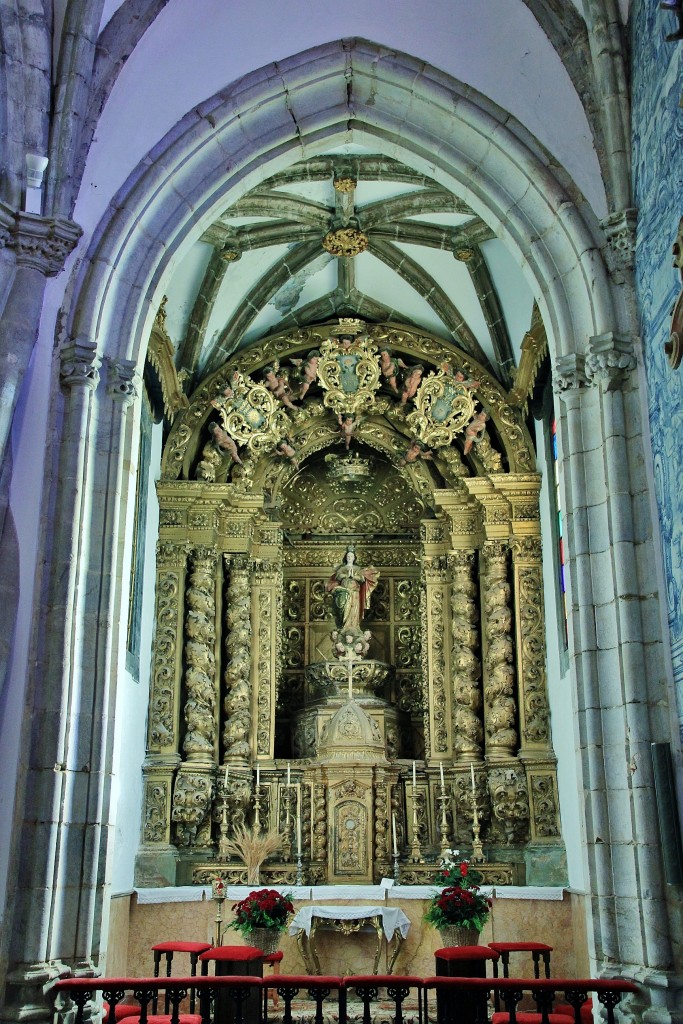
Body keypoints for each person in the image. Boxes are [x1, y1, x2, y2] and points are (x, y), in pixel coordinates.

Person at [326, 547, 379, 631]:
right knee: (344, 609)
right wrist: (347, 575)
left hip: (355, 593)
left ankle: (354, 627)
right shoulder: (342, 568)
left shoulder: (357, 568)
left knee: (354, 610)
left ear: (354, 558)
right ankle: (344, 627)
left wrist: (353, 576)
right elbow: (338, 576)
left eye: (351, 556)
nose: (349, 558)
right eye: (348, 556)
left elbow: (362, 579)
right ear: (346, 557)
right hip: (345, 592)